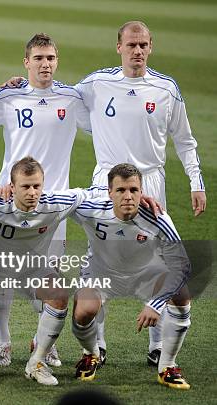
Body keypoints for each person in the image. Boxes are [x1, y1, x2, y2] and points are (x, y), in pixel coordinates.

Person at [74, 20, 205, 366]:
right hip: (106, 182)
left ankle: (158, 345)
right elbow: (59, 96)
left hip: (150, 180)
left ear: (151, 47)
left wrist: (196, 181)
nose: (137, 51)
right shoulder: (97, 83)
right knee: (100, 255)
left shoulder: (166, 88)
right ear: (119, 47)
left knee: (158, 258)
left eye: (143, 45)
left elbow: (185, 140)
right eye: (131, 45)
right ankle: (97, 346)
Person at [0, 157, 109, 385]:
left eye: (37, 186)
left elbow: (93, 193)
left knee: (59, 295)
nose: (32, 192)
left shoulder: (55, 204)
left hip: (32, 268)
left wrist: (137, 197)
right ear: (12, 187)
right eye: (25, 186)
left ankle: (36, 363)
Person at [0, 33, 91, 367]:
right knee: (2, 274)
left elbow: (104, 127)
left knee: (49, 276)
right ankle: (2, 342)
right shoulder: (8, 97)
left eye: (51, 58)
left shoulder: (72, 99)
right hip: (9, 197)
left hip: (53, 205)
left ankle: (45, 342)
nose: (46, 64)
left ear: (57, 61)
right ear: (26, 62)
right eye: (39, 58)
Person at [70, 163, 191, 390]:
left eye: (133, 190)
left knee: (182, 296)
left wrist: (156, 304)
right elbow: (52, 200)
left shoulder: (158, 218)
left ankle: (167, 366)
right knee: (84, 309)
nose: (128, 196)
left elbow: (182, 265)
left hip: (145, 274)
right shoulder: (90, 209)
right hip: (101, 272)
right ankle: (91, 354)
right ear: (109, 192)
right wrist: (11, 190)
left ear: (142, 192)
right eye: (121, 190)